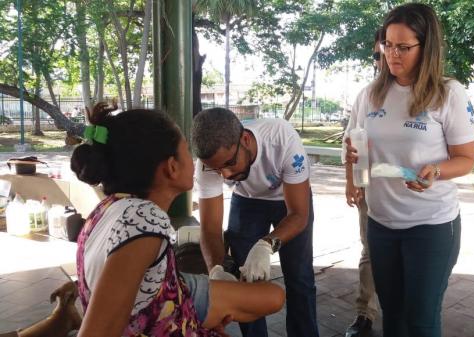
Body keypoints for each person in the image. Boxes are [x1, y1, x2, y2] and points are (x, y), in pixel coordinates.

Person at [62, 102, 284, 337]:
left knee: (271, 296)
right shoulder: (145, 221)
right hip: (162, 324)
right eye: (187, 150)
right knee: (269, 296)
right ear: (172, 167)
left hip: (163, 304)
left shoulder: (107, 207)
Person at [345, 4, 474, 337]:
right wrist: (352, 167)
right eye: (387, 44)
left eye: (403, 47)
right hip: (381, 223)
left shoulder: (447, 93)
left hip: (430, 227)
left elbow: (466, 158)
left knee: (420, 320)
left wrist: (437, 170)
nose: (392, 54)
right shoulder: (370, 95)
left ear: (426, 46)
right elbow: (355, 144)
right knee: (394, 316)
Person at [192, 108, 318, 337]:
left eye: (230, 163)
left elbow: (299, 214)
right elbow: (209, 228)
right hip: (247, 201)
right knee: (244, 283)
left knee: (300, 280)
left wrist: (266, 244)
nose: (226, 175)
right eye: (217, 169)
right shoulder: (207, 163)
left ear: (246, 140)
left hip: (288, 200)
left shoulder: (282, 138)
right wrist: (216, 269)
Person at [343, 27, 384, 337]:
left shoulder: (431, 93)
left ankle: (406, 314)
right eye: (378, 54)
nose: (385, 60)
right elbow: (351, 142)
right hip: (372, 192)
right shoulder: (367, 95)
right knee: (370, 251)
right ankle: (364, 315)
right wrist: (350, 182)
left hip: (414, 199)